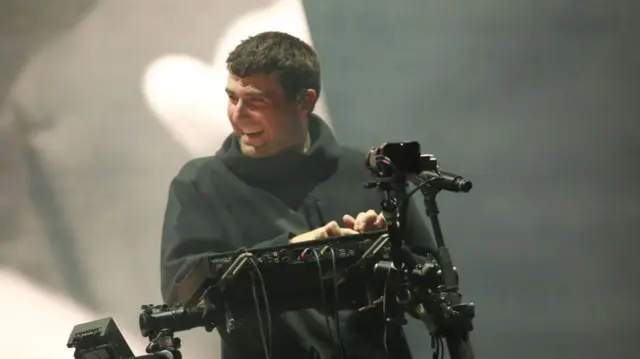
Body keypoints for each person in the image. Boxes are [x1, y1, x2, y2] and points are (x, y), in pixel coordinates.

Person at [160, 31, 435, 359]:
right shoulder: (200, 184)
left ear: (305, 100)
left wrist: (381, 248)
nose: (237, 115)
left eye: (256, 101)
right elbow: (182, 291)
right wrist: (293, 251)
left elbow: (429, 276)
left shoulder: (366, 170)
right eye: (232, 98)